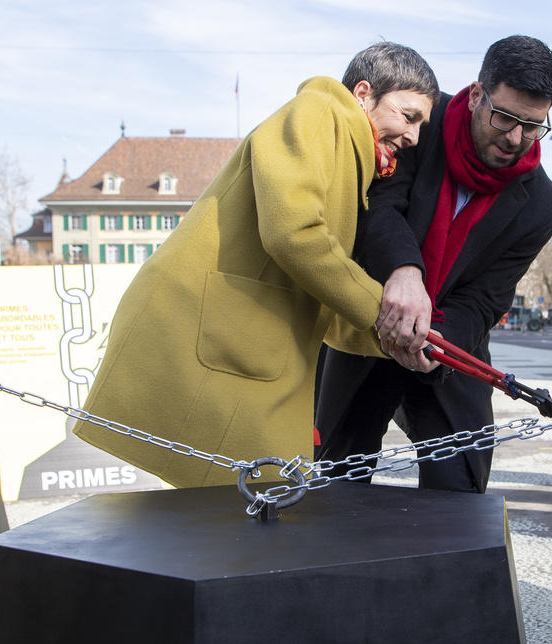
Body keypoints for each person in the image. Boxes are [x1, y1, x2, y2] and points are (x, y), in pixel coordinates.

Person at [74, 43, 438, 487]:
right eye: (408, 115)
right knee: (261, 512)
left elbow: (316, 290)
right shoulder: (319, 111)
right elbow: (295, 235)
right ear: (363, 93)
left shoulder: (347, 147)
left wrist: (391, 338)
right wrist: (383, 309)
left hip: (234, 339)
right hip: (204, 332)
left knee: (250, 515)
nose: (414, 137)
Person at [316, 35, 552, 494]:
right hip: (369, 321)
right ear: (475, 95)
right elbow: (378, 206)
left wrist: (433, 339)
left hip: (445, 349)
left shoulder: (542, 205)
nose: (515, 138)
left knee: (461, 487)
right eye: (504, 117)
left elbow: (486, 299)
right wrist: (404, 272)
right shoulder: (418, 124)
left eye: (532, 126)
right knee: (334, 478)